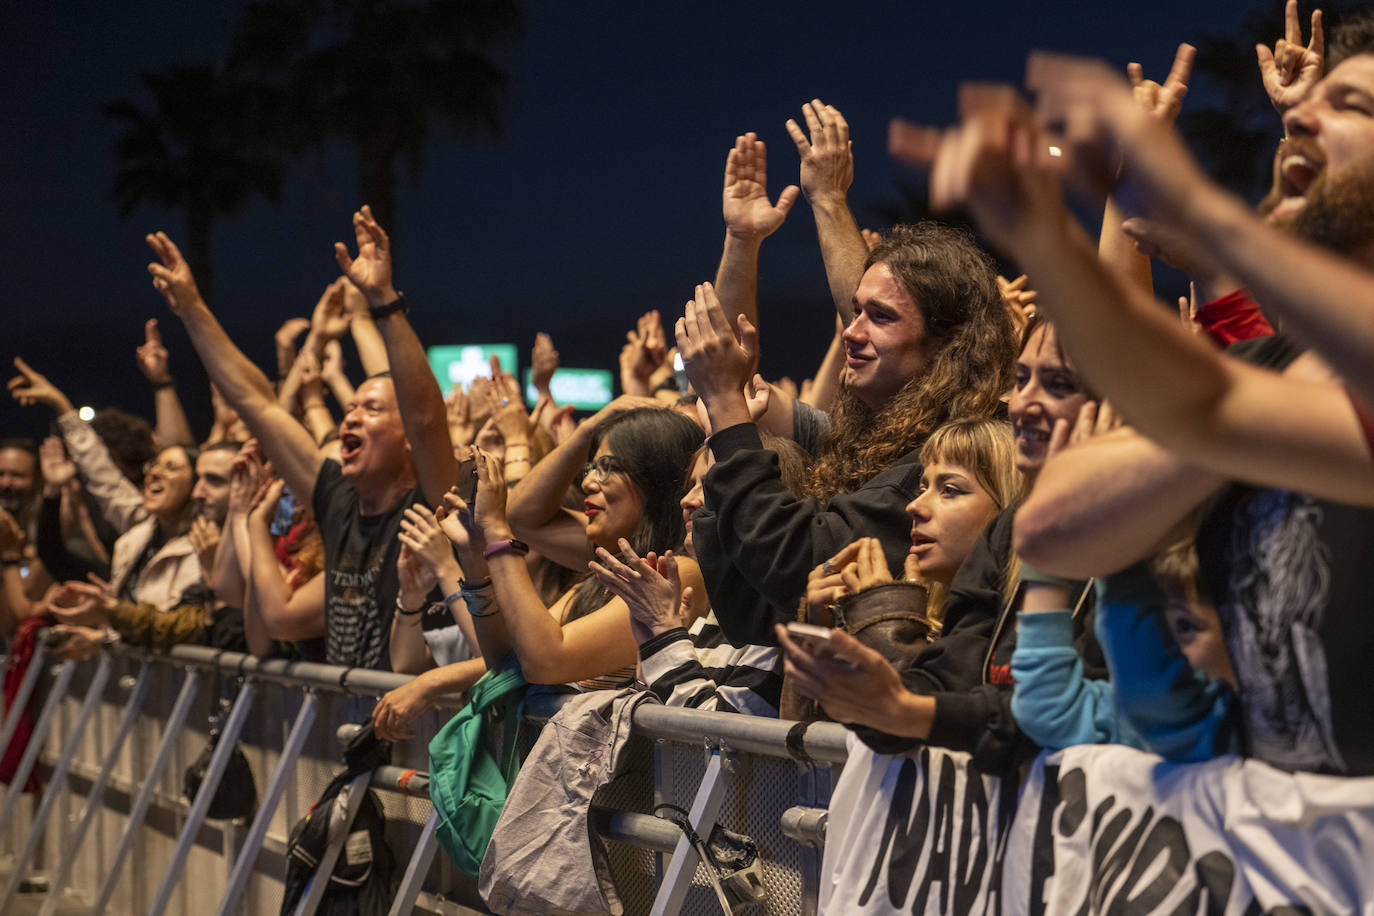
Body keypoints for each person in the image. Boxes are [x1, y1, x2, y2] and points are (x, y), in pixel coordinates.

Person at [900, 19, 1374, 774]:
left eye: (1350, 104)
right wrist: (1046, 240)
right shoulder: (1280, 375)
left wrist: (1199, 211)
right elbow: (1053, 524)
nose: (1302, 112)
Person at [680, 222, 1017, 645]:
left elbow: (804, 560)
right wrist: (720, 437)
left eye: (880, 317)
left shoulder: (958, 454)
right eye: (855, 311)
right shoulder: (874, 442)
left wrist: (729, 411)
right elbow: (754, 617)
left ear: (945, 342)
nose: (851, 332)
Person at [144, 207, 452, 668]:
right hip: (345, 724)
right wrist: (192, 308)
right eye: (348, 408)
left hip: (413, 733)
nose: (348, 419)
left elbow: (427, 418)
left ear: (406, 439)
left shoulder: (431, 503)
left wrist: (383, 302)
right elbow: (259, 405)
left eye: (370, 409)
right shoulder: (337, 499)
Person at [442, 404, 707, 687]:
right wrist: (472, 560)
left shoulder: (678, 572)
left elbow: (547, 662)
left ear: (656, 481)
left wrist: (495, 530)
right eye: (592, 467)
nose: (588, 482)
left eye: (608, 468)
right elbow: (508, 659)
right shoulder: (609, 571)